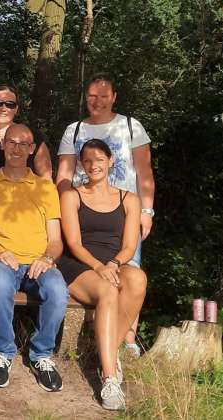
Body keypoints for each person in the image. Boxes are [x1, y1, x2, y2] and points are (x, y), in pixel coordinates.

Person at [55, 72, 154, 356]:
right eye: (91, 96)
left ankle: (126, 343)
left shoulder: (131, 126)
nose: (97, 101)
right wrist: (63, 209)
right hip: (83, 216)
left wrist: (146, 210)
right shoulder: (74, 130)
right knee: (96, 277)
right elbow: (64, 176)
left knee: (130, 276)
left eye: (103, 96)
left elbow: (145, 173)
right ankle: (102, 348)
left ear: (114, 97)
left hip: (123, 216)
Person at [0, 123, 69, 392]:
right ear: (2, 145)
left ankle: (41, 355)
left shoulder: (45, 188)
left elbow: (56, 240)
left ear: (32, 149)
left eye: (23, 144)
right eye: (11, 142)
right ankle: (3, 352)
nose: (16, 149)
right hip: (2, 263)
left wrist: (47, 259)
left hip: (38, 263)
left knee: (58, 290)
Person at [57, 139, 147, 410]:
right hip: (79, 265)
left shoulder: (129, 199)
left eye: (98, 159)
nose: (93, 165)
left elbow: (129, 246)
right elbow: (73, 243)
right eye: (87, 160)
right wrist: (99, 267)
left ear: (110, 161)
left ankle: (108, 352)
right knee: (108, 290)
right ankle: (110, 380)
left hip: (113, 264)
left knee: (138, 279)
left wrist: (113, 264)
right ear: (81, 165)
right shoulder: (71, 196)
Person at [0, 85, 52, 180]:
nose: (3, 108)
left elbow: (46, 179)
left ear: (16, 109)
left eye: (10, 104)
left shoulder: (32, 136)